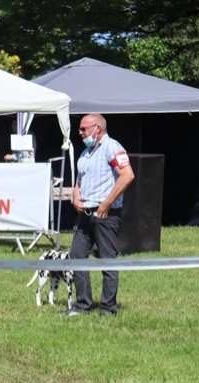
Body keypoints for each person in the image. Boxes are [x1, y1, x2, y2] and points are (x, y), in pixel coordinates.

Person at [63, 113, 134, 317]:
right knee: (77, 256)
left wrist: (107, 202)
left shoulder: (112, 147)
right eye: (79, 129)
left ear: (97, 128)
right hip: (84, 214)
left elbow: (127, 175)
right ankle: (82, 305)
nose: (80, 132)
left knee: (107, 260)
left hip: (106, 214)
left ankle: (108, 308)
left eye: (83, 129)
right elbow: (79, 181)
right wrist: (76, 198)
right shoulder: (85, 153)